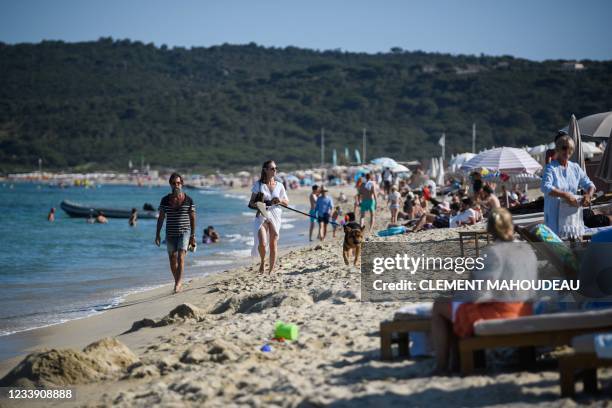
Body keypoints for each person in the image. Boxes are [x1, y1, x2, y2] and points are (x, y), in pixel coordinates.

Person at [430, 208, 537, 374]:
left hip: (503, 312)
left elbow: (480, 293)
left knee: (440, 305)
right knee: (455, 304)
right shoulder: (527, 250)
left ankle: (442, 366)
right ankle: (456, 362)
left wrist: (458, 291)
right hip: (526, 309)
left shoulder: (493, 252)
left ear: (490, 229)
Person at [541, 135, 596, 235]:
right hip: (554, 215)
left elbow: (590, 185)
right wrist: (565, 195)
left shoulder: (575, 168)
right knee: (557, 246)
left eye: (570, 148)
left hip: (571, 216)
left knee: (574, 243)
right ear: (558, 149)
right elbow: (545, 187)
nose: (567, 151)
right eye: (564, 148)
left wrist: (589, 195)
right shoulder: (551, 168)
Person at [155, 173, 196, 293]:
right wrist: (157, 234)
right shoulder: (165, 200)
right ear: (170, 185)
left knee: (181, 258)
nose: (176, 185)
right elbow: (161, 218)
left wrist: (193, 236)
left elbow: (193, 217)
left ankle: (177, 284)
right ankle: (178, 281)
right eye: (174, 183)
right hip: (170, 233)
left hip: (185, 231)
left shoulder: (189, 200)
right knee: (172, 260)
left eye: (178, 183)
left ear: (182, 184)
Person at [248, 160, 289, 274]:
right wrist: (259, 204)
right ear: (265, 170)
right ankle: (262, 262)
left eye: (276, 168)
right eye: (272, 168)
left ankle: (271, 271)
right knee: (263, 243)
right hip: (262, 214)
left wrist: (279, 200)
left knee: (273, 241)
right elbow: (251, 203)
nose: (275, 170)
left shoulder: (280, 185)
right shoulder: (258, 185)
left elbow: (286, 202)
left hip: (275, 213)